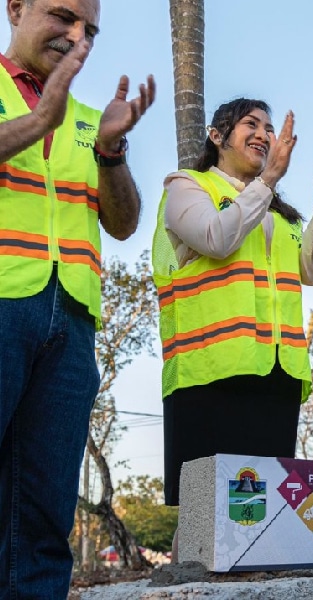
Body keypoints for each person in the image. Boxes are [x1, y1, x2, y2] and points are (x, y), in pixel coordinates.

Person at [0, 0, 155, 596]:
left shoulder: (90, 119)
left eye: (88, 30)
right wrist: (39, 121)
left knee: (44, 506)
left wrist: (110, 153)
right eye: (62, 17)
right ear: (15, 8)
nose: (76, 37)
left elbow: (123, 223)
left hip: (70, 322)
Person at [152, 98, 313, 512]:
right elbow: (216, 237)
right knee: (204, 514)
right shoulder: (187, 187)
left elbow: (312, 269)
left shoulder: (278, 214)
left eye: (269, 128)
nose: (265, 134)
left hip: (276, 370)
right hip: (209, 371)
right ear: (217, 136)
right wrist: (266, 182)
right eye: (252, 124)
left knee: (260, 511)